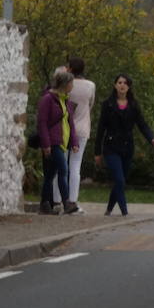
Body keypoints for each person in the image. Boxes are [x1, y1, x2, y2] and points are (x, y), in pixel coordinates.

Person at [94, 74, 154, 216]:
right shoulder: (108, 104)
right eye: (119, 82)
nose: (122, 85)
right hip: (111, 147)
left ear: (129, 86)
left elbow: (142, 124)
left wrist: (151, 139)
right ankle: (125, 213)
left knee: (120, 182)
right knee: (119, 180)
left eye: (125, 83)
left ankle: (109, 209)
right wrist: (97, 152)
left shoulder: (133, 105)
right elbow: (100, 129)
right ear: (115, 85)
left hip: (127, 147)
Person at [55, 56, 95, 214]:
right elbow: (90, 104)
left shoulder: (65, 85)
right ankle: (73, 200)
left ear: (69, 69)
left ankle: (57, 199)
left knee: (61, 164)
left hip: (64, 128)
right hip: (82, 128)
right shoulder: (90, 85)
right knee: (75, 166)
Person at [36, 66, 78, 215]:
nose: (73, 86)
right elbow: (42, 122)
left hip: (62, 141)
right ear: (65, 84)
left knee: (50, 174)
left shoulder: (65, 100)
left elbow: (69, 122)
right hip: (53, 142)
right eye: (71, 83)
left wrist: (74, 142)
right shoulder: (48, 99)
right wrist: (46, 144)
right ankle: (67, 202)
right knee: (63, 170)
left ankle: (44, 204)